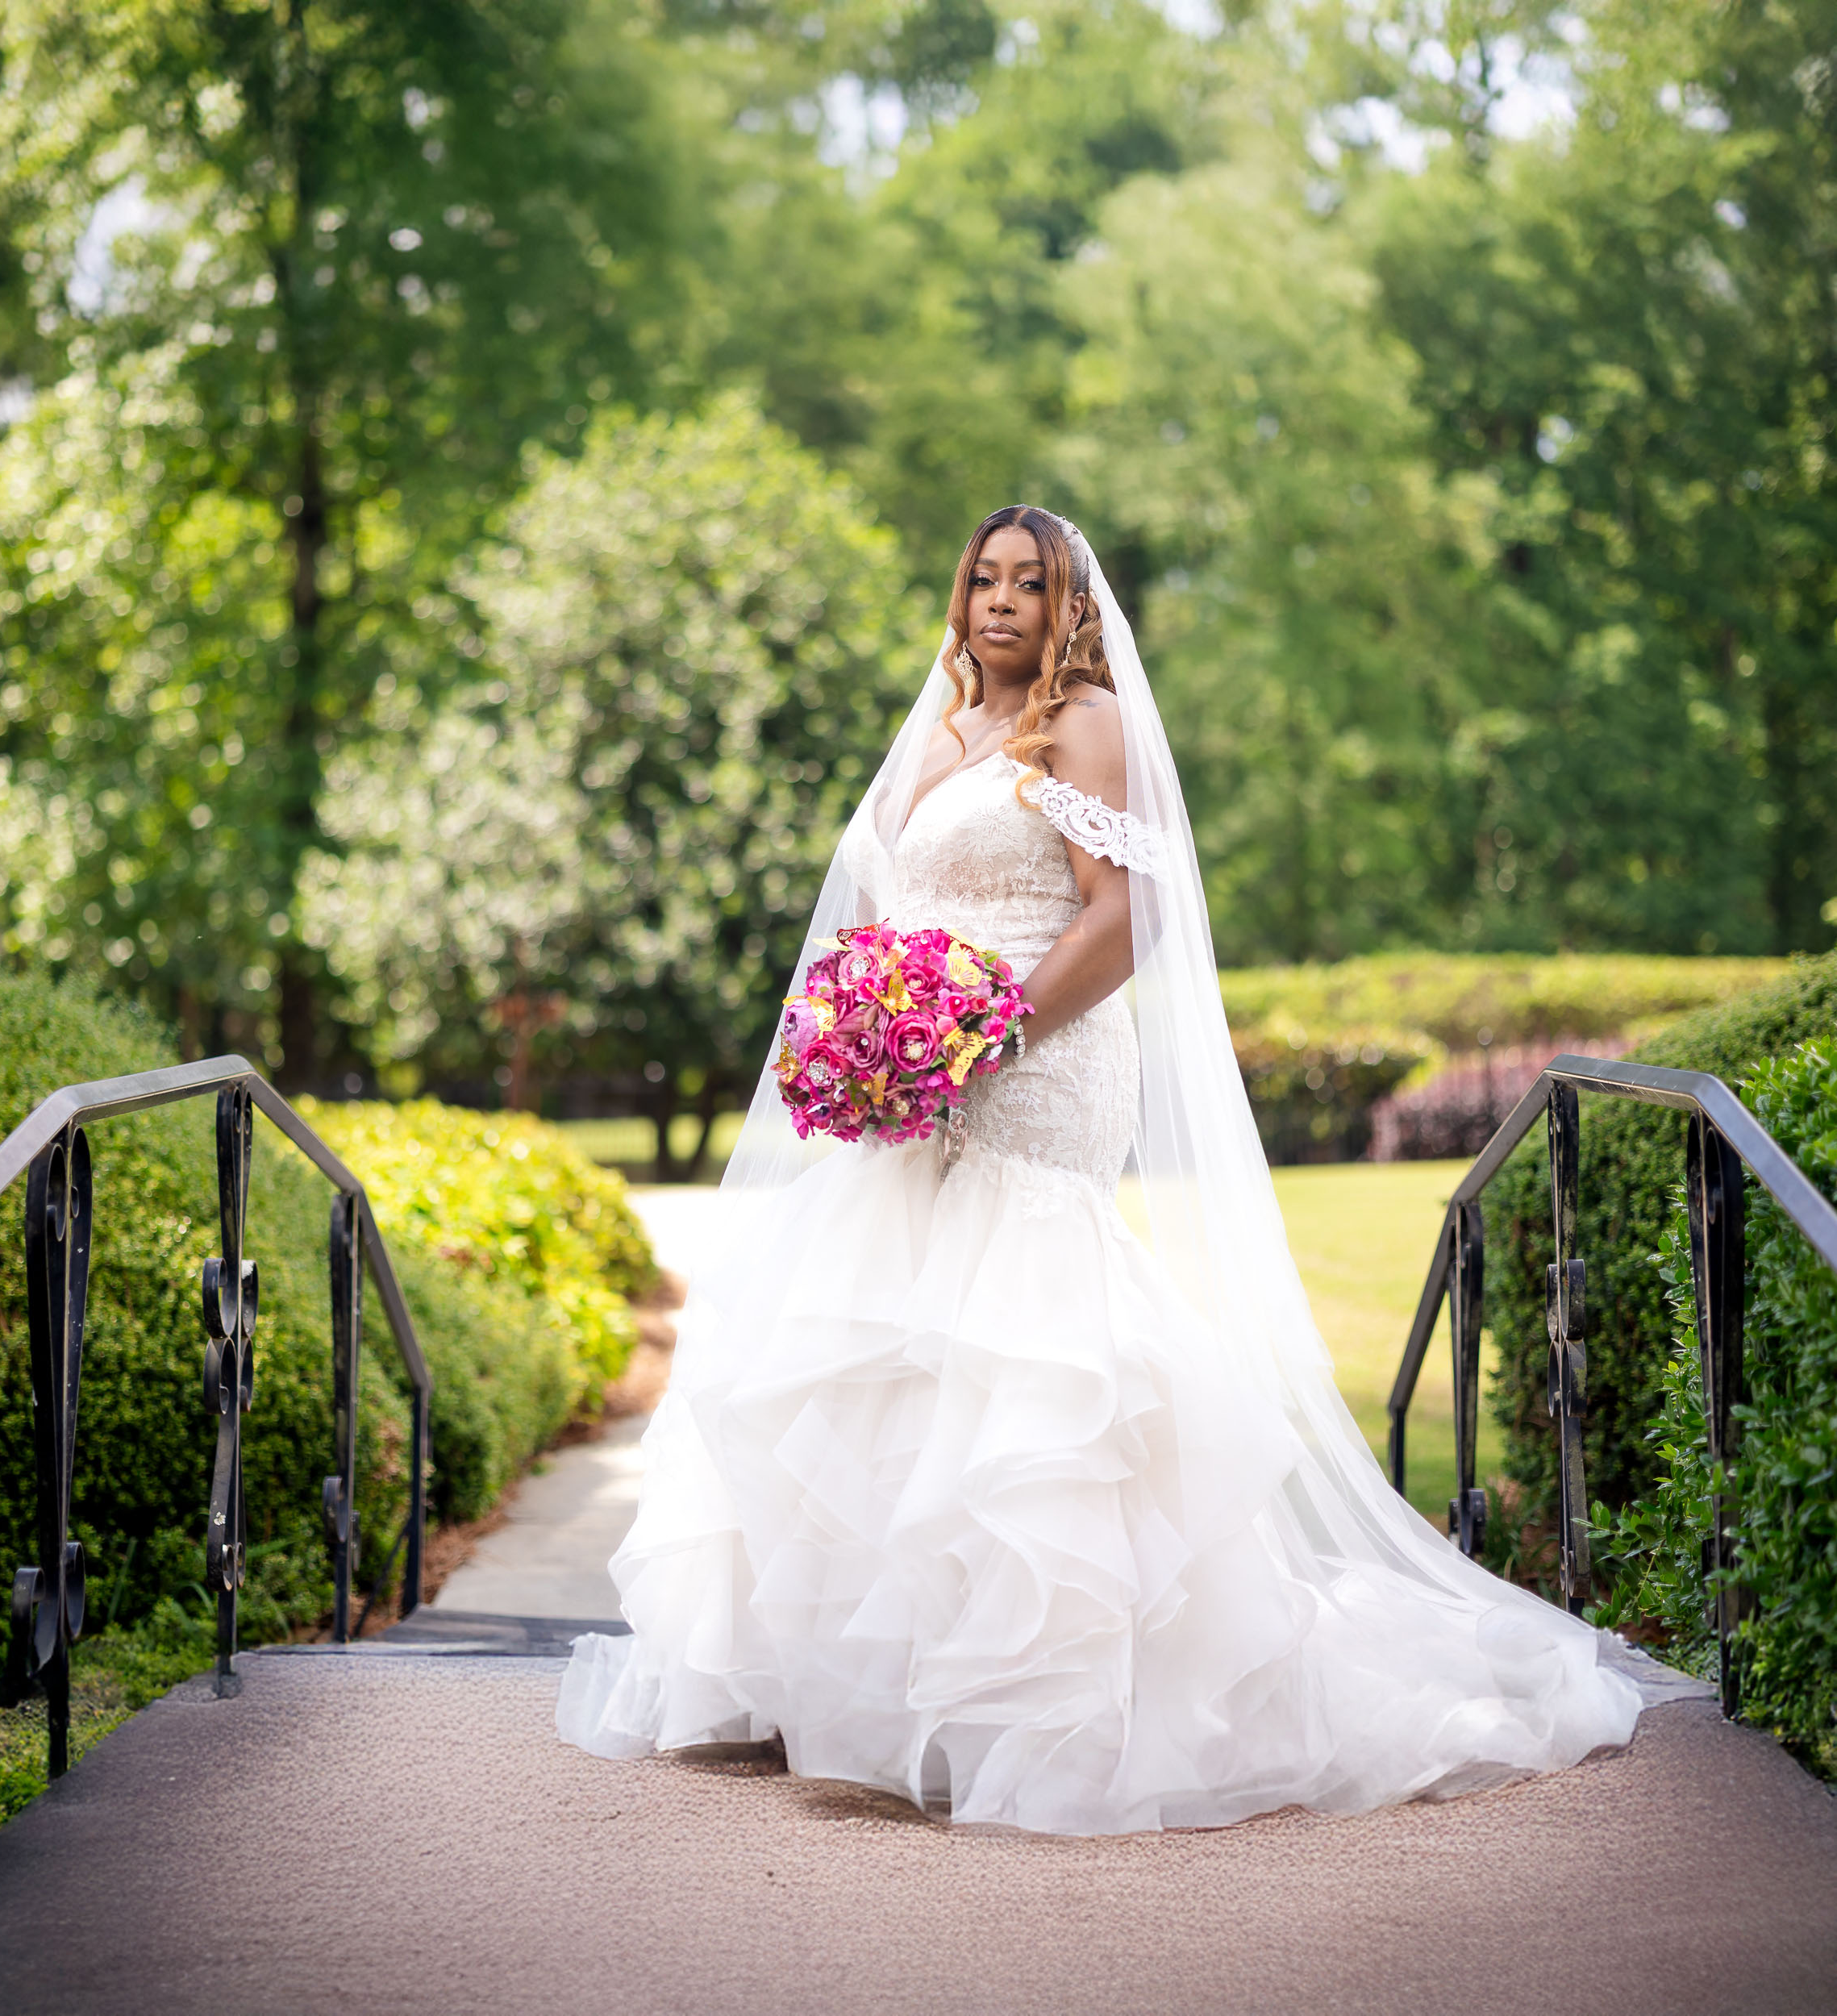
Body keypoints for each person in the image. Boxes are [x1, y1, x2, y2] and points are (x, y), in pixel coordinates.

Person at [557, 506, 1641, 1835]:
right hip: (920, 1073)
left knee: (1025, 1330)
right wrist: (875, 1036)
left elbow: (1125, 921)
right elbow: (895, 912)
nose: (1002, 601)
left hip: (1044, 1057)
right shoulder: (942, 730)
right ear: (958, 595)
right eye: (983, 579)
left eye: (1032, 583)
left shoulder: (1085, 727)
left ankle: (1053, 1695)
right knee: (889, 1336)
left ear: (1070, 605)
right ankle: (887, 1694)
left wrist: (983, 1035)